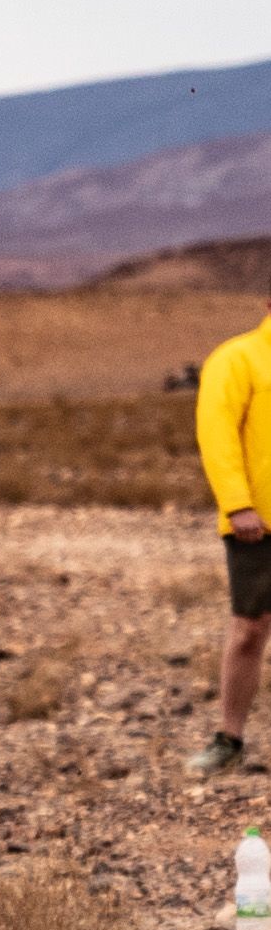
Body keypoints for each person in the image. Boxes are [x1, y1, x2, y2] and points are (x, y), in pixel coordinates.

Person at [193, 295, 271, 776]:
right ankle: (230, 737)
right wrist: (238, 503)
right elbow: (216, 432)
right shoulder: (237, 358)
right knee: (250, 629)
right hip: (257, 523)